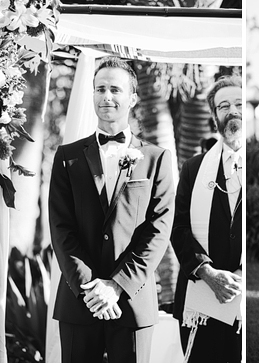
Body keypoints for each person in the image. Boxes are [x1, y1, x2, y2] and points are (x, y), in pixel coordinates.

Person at [49, 56, 175, 363]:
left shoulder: (157, 158)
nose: (107, 96)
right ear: (92, 94)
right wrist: (91, 289)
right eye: (100, 88)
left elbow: (158, 229)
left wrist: (117, 285)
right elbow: (60, 227)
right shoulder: (67, 157)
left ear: (132, 97)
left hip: (132, 302)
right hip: (80, 302)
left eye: (115, 89)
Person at [171, 76, 243, 363]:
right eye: (223, 106)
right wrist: (208, 274)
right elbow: (178, 228)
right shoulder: (193, 168)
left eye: (238, 103)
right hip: (200, 297)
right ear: (215, 117)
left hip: (244, 296)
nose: (232, 111)